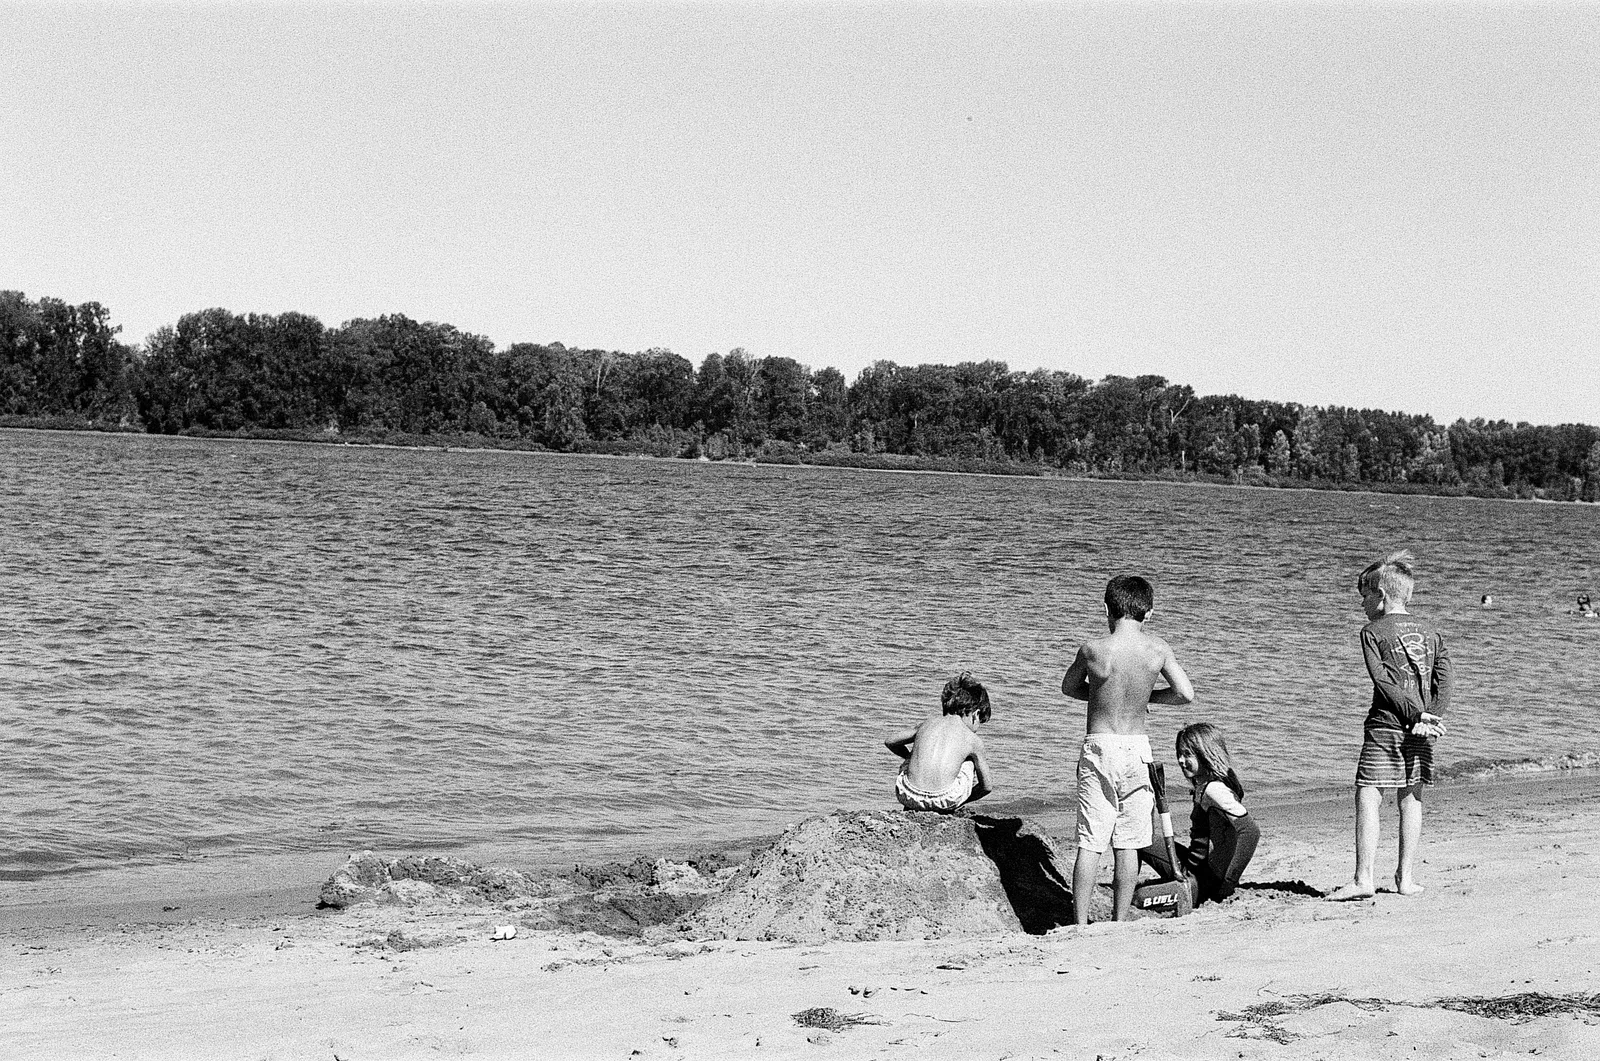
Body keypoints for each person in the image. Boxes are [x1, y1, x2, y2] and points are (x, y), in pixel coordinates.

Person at [1061, 575, 1195, 924]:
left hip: (1100, 745)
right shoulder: (1158, 650)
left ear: (1106, 608)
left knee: (1091, 840)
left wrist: (1098, 695)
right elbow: (1185, 694)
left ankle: (1080, 923)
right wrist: (1147, 695)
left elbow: (1069, 687)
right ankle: (1119, 921)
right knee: (1129, 841)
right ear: (1149, 613)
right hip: (1137, 748)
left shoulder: (1093, 649)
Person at [1329, 550, 1452, 901]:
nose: (1362, 604)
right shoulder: (1432, 633)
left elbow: (1383, 681)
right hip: (1422, 728)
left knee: (1369, 793)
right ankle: (1406, 878)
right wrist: (1431, 716)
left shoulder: (1372, 631)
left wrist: (1417, 715)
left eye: (1364, 596)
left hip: (1386, 724)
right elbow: (1445, 680)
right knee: (1411, 798)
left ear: (1381, 596)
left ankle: (1364, 878)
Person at [1139, 723, 1260, 905]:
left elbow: (1250, 832)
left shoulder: (1214, 790)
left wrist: (1229, 882)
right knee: (1139, 837)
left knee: (1139, 898)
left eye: (1187, 754)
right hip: (1191, 864)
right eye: (1179, 753)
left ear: (1206, 754)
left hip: (1204, 881)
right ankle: (1127, 882)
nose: (1180, 760)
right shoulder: (1207, 783)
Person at [884, 672, 995, 813]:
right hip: (945, 800)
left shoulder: (926, 724)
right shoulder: (972, 739)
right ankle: (947, 803)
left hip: (907, 794)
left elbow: (890, 741)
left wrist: (910, 757)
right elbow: (987, 787)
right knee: (970, 760)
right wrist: (962, 799)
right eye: (980, 721)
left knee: (917, 752)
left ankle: (917, 797)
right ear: (976, 714)